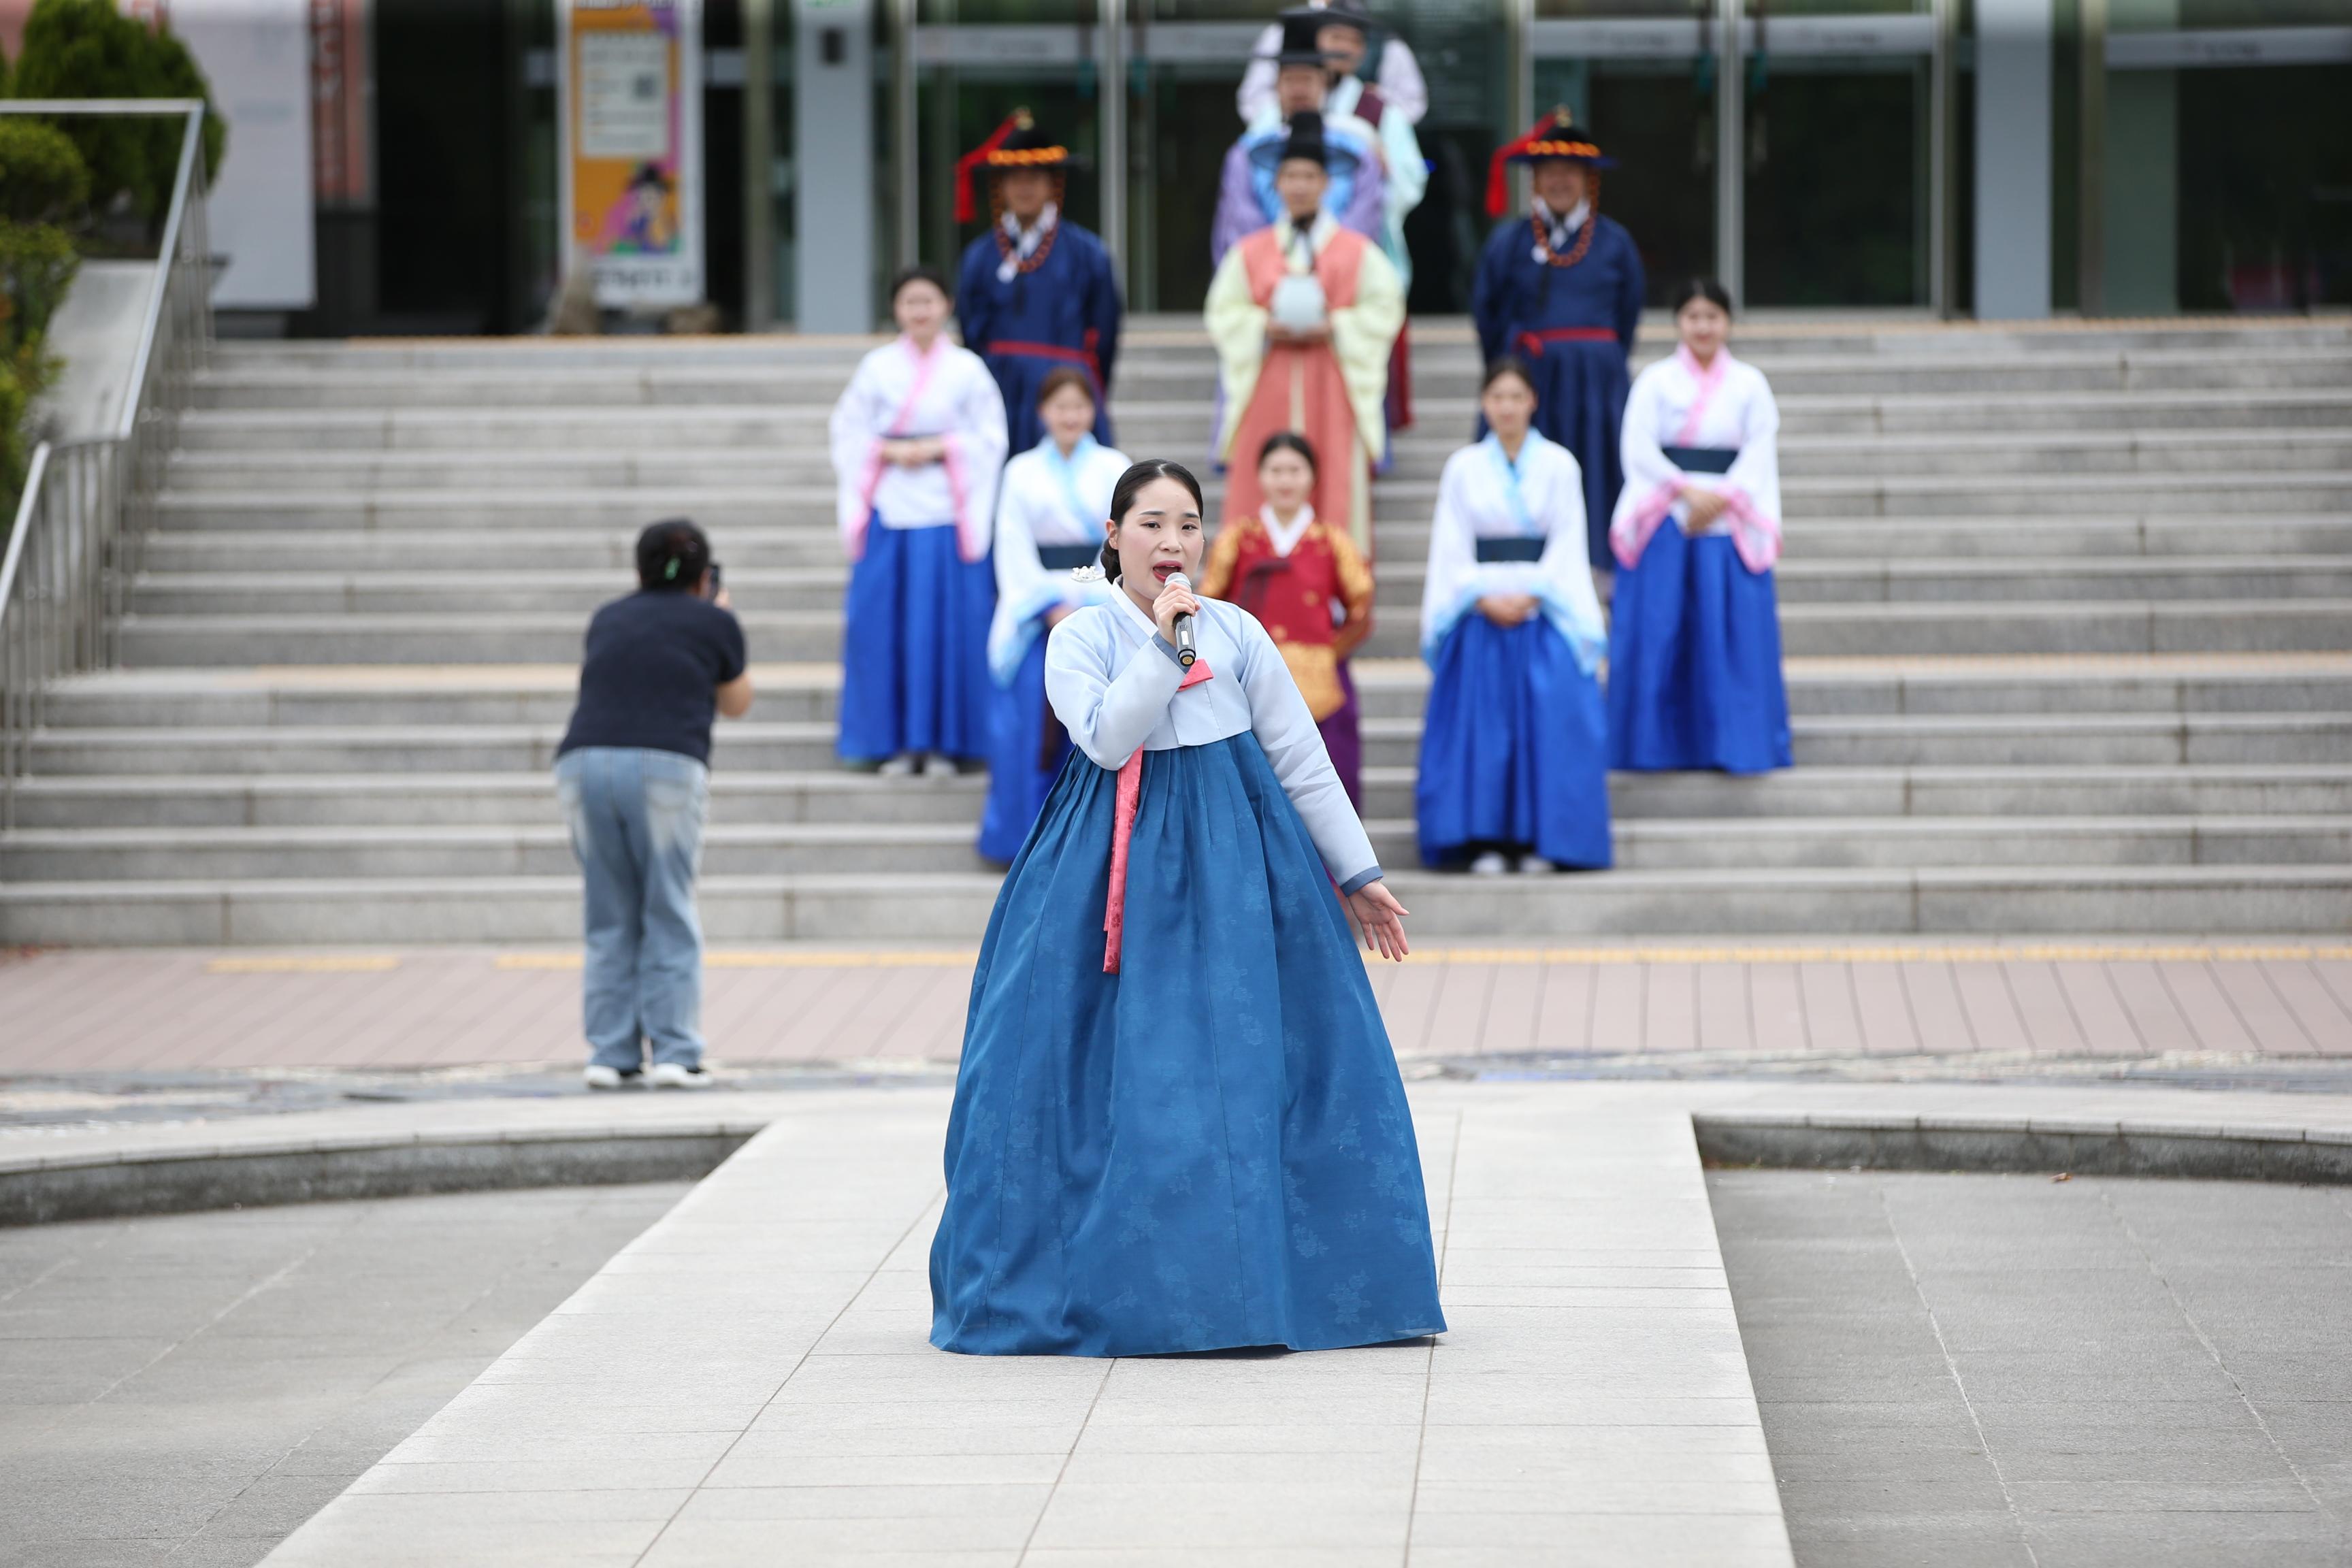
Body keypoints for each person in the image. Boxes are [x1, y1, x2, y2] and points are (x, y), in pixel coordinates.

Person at [930, 459, 1444, 1357]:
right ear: (1115, 535)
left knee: (1262, 1064)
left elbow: (1299, 756)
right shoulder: (1080, 638)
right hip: (1107, 868)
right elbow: (1107, 738)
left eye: (1189, 525)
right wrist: (1165, 649)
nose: (1173, 544)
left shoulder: (1239, 631)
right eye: (1153, 524)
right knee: (1104, 1071)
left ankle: (1281, 1286)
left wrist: (1357, 873)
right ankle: (1125, 1282)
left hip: (1242, 857)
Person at [555, 519, 753, 1091]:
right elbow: (737, 702)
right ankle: (674, 1052)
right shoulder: (714, 620)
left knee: (609, 910)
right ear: (703, 577)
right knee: (667, 905)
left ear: (638, 570)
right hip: (667, 764)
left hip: (583, 762)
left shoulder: (608, 617)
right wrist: (722, 616)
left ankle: (611, 1053)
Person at [1416, 358, 1611, 875]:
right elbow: (1450, 545)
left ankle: (1541, 840)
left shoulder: (1561, 465)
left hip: (1542, 610)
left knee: (1547, 725)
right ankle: (1483, 840)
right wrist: (1481, 596)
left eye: (1516, 396)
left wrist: (1535, 591)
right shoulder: (1463, 467)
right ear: (1485, 404)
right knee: (1484, 729)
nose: (1506, 407)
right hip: (1479, 613)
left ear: (1533, 402)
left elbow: (1570, 540)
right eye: (1497, 397)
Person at [828, 266, 1009, 777]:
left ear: (947, 306)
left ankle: (947, 743)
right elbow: (848, 430)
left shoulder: (968, 369)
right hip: (890, 505)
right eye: (910, 302)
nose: (920, 311)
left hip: (947, 510)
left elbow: (990, 437)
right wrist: (885, 451)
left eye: (929, 301)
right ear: (896, 310)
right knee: (884, 628)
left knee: (945, 630)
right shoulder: (876, 367)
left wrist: (939, 448)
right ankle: (889, 742)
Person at [1608, 278, 1791, 774]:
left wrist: (1723, 497)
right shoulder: (1654, 381)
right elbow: (1638, 447)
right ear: (1678, 323)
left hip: (1729, 522)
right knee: (1663, 632)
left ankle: (1733, 743)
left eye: (1712, 316)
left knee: (1729, 641)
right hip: (1669, 518)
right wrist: (1686, 492)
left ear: (1728, 322)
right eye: (1693, 316)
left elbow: (1759, 451)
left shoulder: (1750, 384)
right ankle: (1655, 745)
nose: (1703, 326)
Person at [1206, 111, 1403, 556]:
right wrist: (1262, 325)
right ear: (1276, 183)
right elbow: (1223, 312)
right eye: (1290, 175)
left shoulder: (1358, 253)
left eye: (1309, 176)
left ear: (1326, 184)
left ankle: (1332, 603)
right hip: (1267, 378)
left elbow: (1385, 308)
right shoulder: (1249, 252)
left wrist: (1336, 324)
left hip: (1332, 379)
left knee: (1334, 478)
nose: (1299, 185)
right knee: (1260, 480)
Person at [1471, 109, 1645, 568]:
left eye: (1571, 172)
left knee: (1599, 472)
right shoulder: (1508, 243)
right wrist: (1509, 370)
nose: (1560, 182)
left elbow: (1628, 314)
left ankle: (1599, 569)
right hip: (1530, 378)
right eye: (1550, 172)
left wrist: (1600, 357)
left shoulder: (1615, 242)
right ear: (1534, 180)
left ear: (1589, 179)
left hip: (1597, 383)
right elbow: (1486, 313)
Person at [979, 369, 1131, 862]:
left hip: (1096, 604)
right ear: (1042, 412)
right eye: (1059, 406)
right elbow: (1012, 548)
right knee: (1025, 723)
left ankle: (1094, 849)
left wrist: (1083, 594)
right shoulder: (1020, 470)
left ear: (1094, 412)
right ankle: (1020, 843)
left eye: (1079, 406)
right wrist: (1050, 606)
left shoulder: (1115, 466)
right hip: (1035, 616)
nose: (1070, 416)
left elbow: (1120, 545)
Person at [1199, 431, 1373, 804]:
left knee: (1325, 792)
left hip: (1322, 684)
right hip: (1250, 682)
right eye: (1275, 470)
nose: (1285, 480)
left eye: (1295, 470)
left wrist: (1329, 651)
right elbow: (1209, 605)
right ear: (1260, 476)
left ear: (1312, 477)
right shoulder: (1237, 539)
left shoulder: (1332, 541)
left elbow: (1361, 604)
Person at [953, 110, 1124, 455]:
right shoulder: (980, 256)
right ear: (1001, 185)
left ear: (1053, 184)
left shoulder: (1088, 252)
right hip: (1000, 388)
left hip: (1066, 387)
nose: (1024, 187)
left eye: (1035, 177)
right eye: (1014, 178)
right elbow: (970, 328)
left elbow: (1105, 329)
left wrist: (1083, 384)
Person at [1309, 3, 1425, 433]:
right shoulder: (1299, 99)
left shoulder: (1381, 111)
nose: (1340, 48)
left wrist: (1378, 184)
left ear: (1362, 51)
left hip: (1363, 258)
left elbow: (1408, 180)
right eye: (1332, 38)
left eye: (1351, 41)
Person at [1211, 13, 1384, 265]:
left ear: (1324, 82)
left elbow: (1365, 218)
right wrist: (1280, 266)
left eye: (1308, 79)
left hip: (1342, 275)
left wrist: (1327, 264)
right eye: (1291, 80)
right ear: (1277, 85)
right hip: (1265, 276)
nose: (1299, 90)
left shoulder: (1358, 147)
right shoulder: (1247, 152)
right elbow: (1241, 220)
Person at [1238, 0, 1426, 128]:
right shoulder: (1285, 34)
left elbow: (1412, 106)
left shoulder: (1387, 45)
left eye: (1353, 41)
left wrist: (1374, 103)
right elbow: (1252, 103)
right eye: (1336, 37)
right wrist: (1289, 113)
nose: (1343, 48)